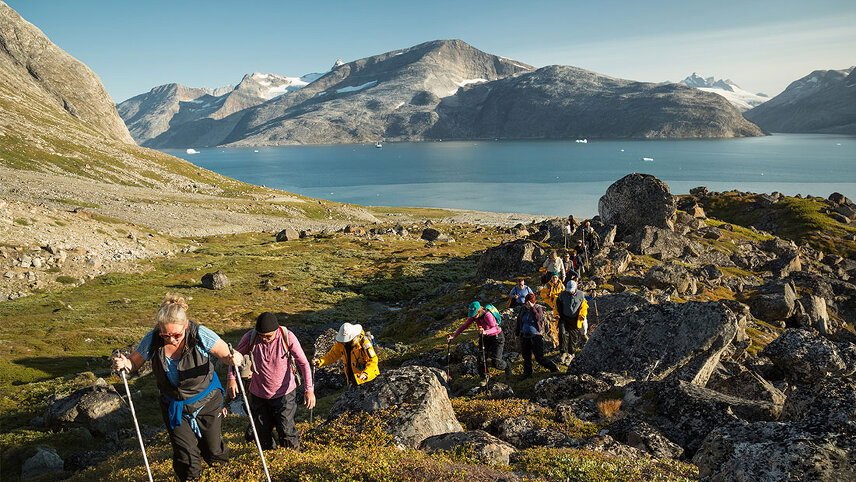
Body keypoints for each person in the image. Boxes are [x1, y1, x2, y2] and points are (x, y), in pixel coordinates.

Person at [112, 295, 241, 482]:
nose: (171, 339)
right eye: (165, 335)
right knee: (186, 458)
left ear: (186, 326)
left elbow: (226, 356)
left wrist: (234, 358)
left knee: (214, 451)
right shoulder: (153, 339)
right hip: (175, 408)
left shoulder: (200, 334)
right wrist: (124, 364)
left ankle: (223, 476)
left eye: (177, 335)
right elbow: (133, 365)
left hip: (207, 401)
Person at [227, 312, 315, 451]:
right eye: (261, 336)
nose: (264, 339)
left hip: (285, 393)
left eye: (268, 336)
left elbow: (303, 363)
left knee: (286, 429)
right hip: (258, 393)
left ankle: (292, 459)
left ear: (277, 329)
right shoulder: (251, 337)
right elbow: (233, 358)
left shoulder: (287, 337)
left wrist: (309, 390)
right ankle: (271, 457)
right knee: (262, 432)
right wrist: (232, 379)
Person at [448, 301, 510, 379]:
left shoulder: (488, 315)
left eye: (475, 315)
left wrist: (485, 332)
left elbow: (495, 328)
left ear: (479, 311)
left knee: (496, 362)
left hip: (497, 338)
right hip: (484, 338)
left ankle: (507, 366)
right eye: (472, 315)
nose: (474, 317)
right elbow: (464, 326)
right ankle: (485, 378)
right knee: (481, 359)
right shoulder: (474, 316)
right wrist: (454, 336)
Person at [314, 322, 379, 386]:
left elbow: (373, 359)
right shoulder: (341, 344)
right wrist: (320, 361)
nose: (345, 342)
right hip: (353, 379)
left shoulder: (364, 343)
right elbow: (332, 355)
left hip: (368, 380)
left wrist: (366, 373)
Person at [516, 293, 560, 377]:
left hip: (536, 336)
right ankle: (527, 374)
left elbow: (538, 318)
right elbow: (519, 320)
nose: (528, 304)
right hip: (525, 335)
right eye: (526, 302)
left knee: (539, 357)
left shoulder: (538, 308)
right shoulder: (523, 309)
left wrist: (532, 308)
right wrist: (518, 332)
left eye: (530, 302)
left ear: (534, 301)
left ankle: (553, 368)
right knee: (526, 357)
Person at [555, 280, 589, 365]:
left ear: (575, 288)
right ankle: (563, 353)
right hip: (564, 318)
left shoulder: (581, 294)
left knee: (573, 337)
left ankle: (571, 354)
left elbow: (584, 306)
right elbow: (557, 304)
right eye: (568, 290)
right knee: (562, 334)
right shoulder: (562, 294)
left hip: (575, 319)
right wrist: (557, 314)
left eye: (571, 290)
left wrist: (582, 315)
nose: (570, 291)